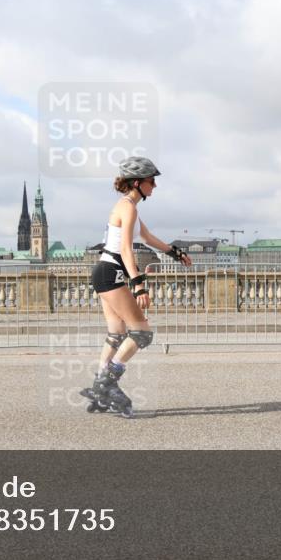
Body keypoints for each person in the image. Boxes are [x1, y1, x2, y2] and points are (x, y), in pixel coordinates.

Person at [81, 156, 192, 417]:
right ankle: (107, 382)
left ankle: (100, 385)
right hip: (112, 273)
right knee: (142, 333)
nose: (155, 185)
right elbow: (125, 249)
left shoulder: (128, 206)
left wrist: (174, 252)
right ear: (137, 183)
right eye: (151, 181)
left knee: (116, 334)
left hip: (104, 272)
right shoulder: (128, 208)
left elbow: (147, 237)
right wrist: (138, 284)